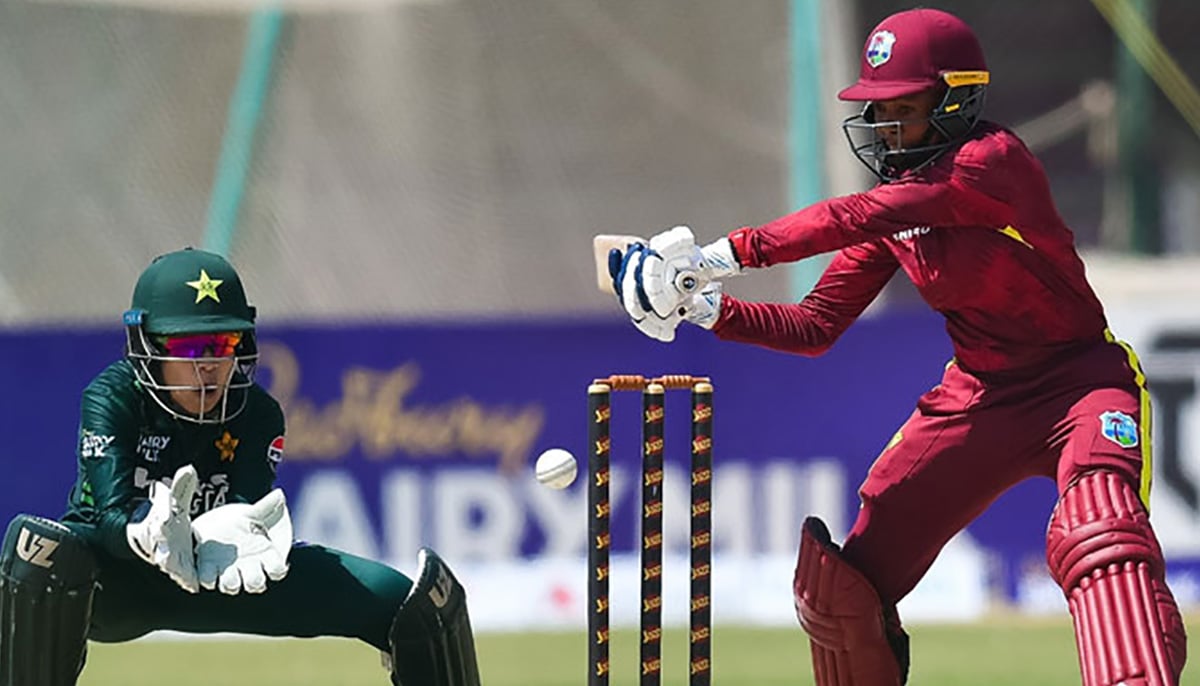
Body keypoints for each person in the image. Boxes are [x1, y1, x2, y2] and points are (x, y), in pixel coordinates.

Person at [608, 7, 1186, 686]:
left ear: (955, 101)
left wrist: (717, 255)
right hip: (979, 399)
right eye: (877, 111)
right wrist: (705, 309)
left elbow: (853, 215)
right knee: (841, 591)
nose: (883, 128)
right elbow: (816, 325)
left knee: (1101, 528)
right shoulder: (901, 207)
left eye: (902, 109)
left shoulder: (989, 164)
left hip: (1080, 386)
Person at [0, 247, 480, 686]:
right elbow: (105, 516)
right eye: (188, 348)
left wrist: (234, 524)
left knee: (420, 604)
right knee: (37, 556)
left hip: (222, 569)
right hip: (120, 579)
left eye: (222, 343)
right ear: (148, 346)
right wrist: (142, 534)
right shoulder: (112, 397)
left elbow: (245, 510)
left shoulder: (260, 412)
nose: (208, 365)